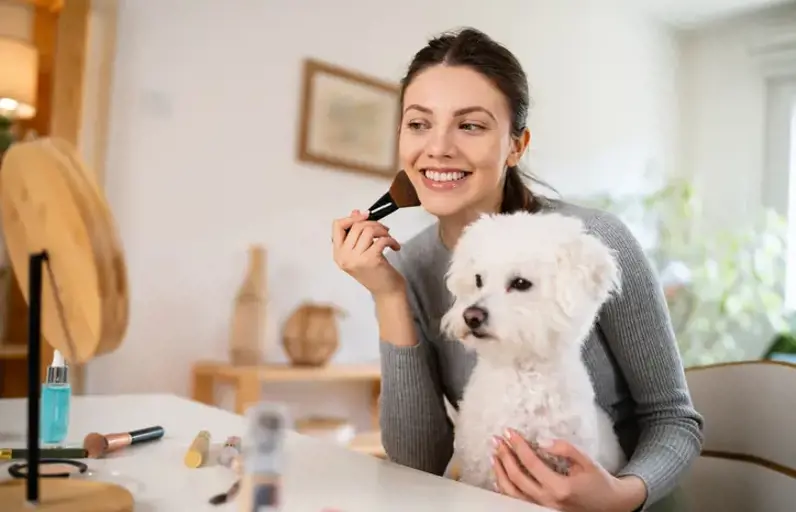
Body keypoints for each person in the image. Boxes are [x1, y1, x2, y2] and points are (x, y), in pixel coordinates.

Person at [331, 27, 704, 512]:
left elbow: (674, 419)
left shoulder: (592, 243)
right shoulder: (409, 264)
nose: (438, 147)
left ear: (515, 145)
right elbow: (418, 462)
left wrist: (619, 495)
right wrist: (388, 296)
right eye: (419, 124)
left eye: (470, 125)